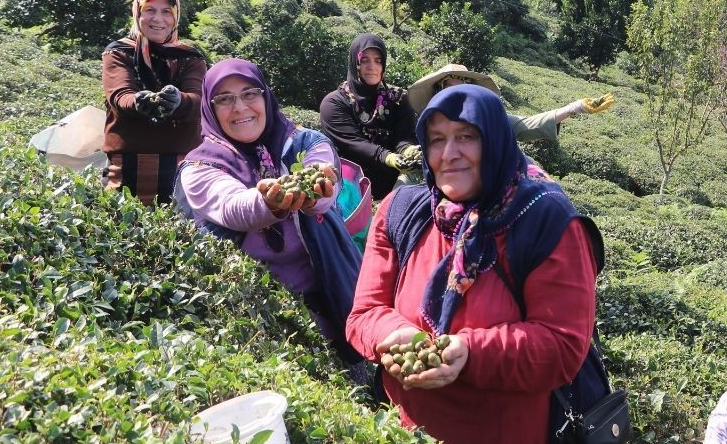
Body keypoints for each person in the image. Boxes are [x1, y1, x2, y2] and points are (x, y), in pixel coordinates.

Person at [346, 84, 608, 444]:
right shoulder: (401, 210)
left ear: (496, 140)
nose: (449, 153)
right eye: (436, 139)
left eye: (466, 136)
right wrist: (391, 335)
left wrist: (471, 352)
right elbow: (364, 313)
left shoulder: (546, 221)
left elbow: (562, 344)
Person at [175, 59, 371, 386]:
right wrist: (270, 201)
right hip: (256, 309)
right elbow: (232, 206)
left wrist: (316, 195)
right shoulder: (199, 167)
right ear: (210, 109)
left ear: (265, 96)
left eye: (249, 93)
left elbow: (326, 185)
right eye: (224, 99)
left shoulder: (306, 141)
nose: (239, 107)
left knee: (355, 383)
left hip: (329, 286)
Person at [101, 0, 206, 205]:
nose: (158, 19)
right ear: (137, 14)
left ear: (175, 17)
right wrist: (138, 102)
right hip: (126, 168)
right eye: (149, 10)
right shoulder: (119, 52)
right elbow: (119, 95)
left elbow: (198, 100)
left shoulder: (190, 57)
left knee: (180, 233)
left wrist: (179, 101)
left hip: (180, 167)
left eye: (166, 12)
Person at [405, 63, 615, 144]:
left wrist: (574, 108)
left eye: (464, 89)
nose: (457, 96)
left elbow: (525, 125)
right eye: (449, 89)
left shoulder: (487, 120)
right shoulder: (427, 123)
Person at [319, 34, 419, 201]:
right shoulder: (334, 103)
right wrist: (389, 157)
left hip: (393, 191)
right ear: (354, 62)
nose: (372, 66)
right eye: (364, 60)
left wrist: (408, 151)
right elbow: (354, 143)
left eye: (378, 60)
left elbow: (403, 137)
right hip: (350, 194)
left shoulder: (398, 99)